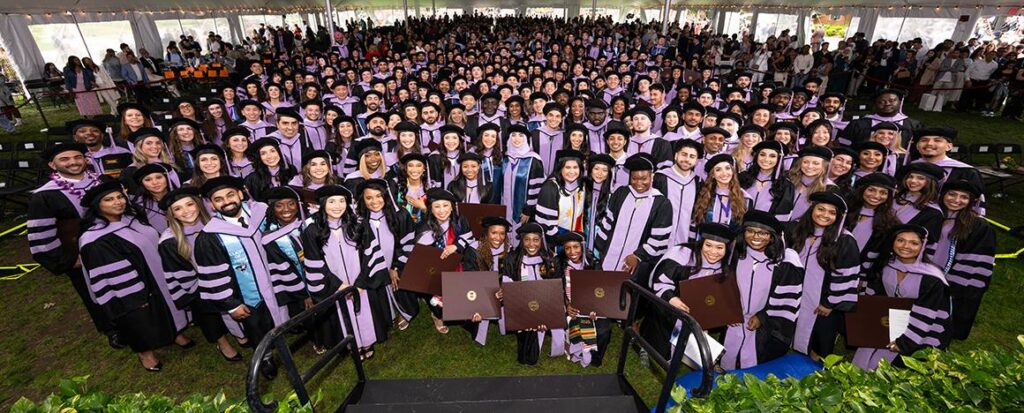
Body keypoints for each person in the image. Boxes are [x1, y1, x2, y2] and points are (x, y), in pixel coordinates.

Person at [79, 179, 192, 372]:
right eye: (109, 200)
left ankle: (174, 332)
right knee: (137, 319)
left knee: (167, 306)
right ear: (97, 206)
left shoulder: (130, 220)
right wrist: (134, 298)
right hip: (131, 288)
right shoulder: (96, 239)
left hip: (157, 277)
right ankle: (145, 354)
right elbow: (113, 276)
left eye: (119, 197)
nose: (118, 202)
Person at [194, 176, 288, 380]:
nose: (226, 201)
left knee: (280, 317)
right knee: (256, 329)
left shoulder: (261, 213)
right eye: (218, 199)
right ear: (212, 204)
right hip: (247, 296)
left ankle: (283, 344)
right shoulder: (210, 236)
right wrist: (231, 304)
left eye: (230, 195)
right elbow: (213, 275)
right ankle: (265, 358)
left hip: (276, 283)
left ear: (240, 193)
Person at [29, 144, 121, 348]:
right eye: (65, 159)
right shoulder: (45, 196)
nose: (73, 162)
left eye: (77, 157)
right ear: (53, 164)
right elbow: (41, 235)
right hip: (80, 253)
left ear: (85, 159)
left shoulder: (103, 181)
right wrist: (68, 260)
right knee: (93, 290)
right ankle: (111, 328)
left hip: (116, 244)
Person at [157, 187, 244, 362]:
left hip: (224, 276)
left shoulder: (214, 224)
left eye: (189, 204)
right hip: (197, 287)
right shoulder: (169, 241)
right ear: (172, 214)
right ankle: (222, 342)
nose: (186, 211)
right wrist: (209, 287)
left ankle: (240, 332)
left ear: (198, 205)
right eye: (178, 209)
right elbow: (181, 275)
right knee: (209, 317)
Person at [852, 225, 950, 371]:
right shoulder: (886, 266)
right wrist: (866, 328)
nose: (906, 246)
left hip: (922, 329)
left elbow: (926, 314)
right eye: (901, 240)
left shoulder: (931, 278)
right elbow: (873, 299)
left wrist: (904, 343)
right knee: (865, 356)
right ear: (893, 242)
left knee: (892, 369)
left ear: (922, 246)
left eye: (914, 243)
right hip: (890, 322)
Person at [299, 184, 379, 359]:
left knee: (364, 311)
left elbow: (370, 254)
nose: (338, 206)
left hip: (360, 282)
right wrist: (338, 285)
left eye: (342, 201)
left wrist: (360, 282)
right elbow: (314, 263)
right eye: (332, 201)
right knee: (343, 314)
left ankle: (367, 342)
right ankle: (353, 345)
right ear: (323, 204)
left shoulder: (358, 224)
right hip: (334, 285)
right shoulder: (312, 231)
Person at [721, 211, 804, 370]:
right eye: (750, 231)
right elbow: (723, 285)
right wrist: (728, 311)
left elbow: (787, 300)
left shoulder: (786, 261)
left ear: (773, 236)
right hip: (736, 319)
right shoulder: (735, 253)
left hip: (767, 326)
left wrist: (762, 317)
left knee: (759, 366)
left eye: (763, 233)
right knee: (730, 359)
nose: (755, 236)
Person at [787, 192, 860, 360]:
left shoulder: (844, 240)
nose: (825, 215)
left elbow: (847, 275)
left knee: (820, 339)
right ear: (812, 208)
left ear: (839, 217)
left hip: (823, 300)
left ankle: (815, 370)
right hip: (795, 294)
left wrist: (829, 303)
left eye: (832, 212)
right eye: (821, 209)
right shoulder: (795, 230)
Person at [645, 222, 734, 359]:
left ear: (726, 249)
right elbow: (660, 279)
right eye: (708, 245)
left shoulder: (725, 266)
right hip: (670, 306)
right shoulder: (681, 254)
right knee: (660, 351)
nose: (713, 252)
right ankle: (646, 349)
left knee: (696, 351)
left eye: (719, 248)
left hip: (699, 311)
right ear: (701, 243)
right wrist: (671, 298)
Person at [594, 153, 673, 288]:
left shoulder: (662, 203)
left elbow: (659, 239)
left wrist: (638, 256)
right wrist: (600, 251)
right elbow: (607, 223)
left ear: (652, 176)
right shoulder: (621, 193)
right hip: (607, 259)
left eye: (644, 178)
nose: (638, 183)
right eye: (634, 178)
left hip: (637, 266)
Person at [934, 180, 995, 341]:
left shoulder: (978, 226)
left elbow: (977, 264)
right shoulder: (934, 216)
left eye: (964, 197)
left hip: (952, 285)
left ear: (971, 201)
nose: (956, 200)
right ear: (943, 195)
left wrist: (950, 287)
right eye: (951, 194)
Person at [355, 179, 416, 338]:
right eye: (369, 198)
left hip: (397, 263)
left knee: (398, 284)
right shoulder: (359, 221)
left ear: (386, 196)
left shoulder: (400, 215)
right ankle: (387, 315)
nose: (375, 201)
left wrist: (395, 267)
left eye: (378, 196)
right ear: (363, 200)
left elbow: (408, 243)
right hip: (373, 267)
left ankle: (403, 311)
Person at [498, 222, 565, 365]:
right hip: (522, 308)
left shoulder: (551, 260)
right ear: (522, 241)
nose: (531, 244)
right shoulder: (513, 258)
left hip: (547, 306)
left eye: (536, 239)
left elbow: (556, 290)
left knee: (530, 355)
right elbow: (508, 286)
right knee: (527, 358)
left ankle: (545, 328)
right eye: (527, 239)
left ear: (542, 240)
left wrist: (545, 315)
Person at [412, 188, 478, 333]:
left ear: (452, 207)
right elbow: (420, 256)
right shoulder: (425, 227)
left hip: (458, 265)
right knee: (437, 299)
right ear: (430, 209)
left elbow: (469, 236)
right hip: (435, 271)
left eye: (445, 205)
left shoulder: (460, 221)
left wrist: (456, 245)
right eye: (437, 206)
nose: (442, 211)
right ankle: (436, 315)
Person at [653, 140, 702, 246]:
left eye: (692, 156)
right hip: (658, 237)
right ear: (676, 155)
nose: (687, 159)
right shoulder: (660, 178)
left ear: (696, 161)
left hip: (685, 239)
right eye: (684, 154)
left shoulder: (698, 182)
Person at [840, 89, 922, 147]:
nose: (887, 104)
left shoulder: (913, 125)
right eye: (882, 101)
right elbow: (844, 144)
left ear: (900, 103)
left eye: (892, 100)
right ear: (875, 104)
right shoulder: (858, 124)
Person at [501, 124, 546, 234]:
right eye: (513, 135)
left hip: (524, 213)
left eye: (521, 135)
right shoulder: (505, 159)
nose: (517, 139)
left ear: (526, 139)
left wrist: (528, 210)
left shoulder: (534, 160)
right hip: (505, 208)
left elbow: (537, 189)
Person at [535, 150, 587, 242]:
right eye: (567, 167)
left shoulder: (581, 186)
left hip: (576, 238)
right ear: (560, 168)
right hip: (557, 240)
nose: (572, 171)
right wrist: (560, 241)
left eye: (575, 167)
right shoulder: (550, 187)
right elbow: (545, 222)